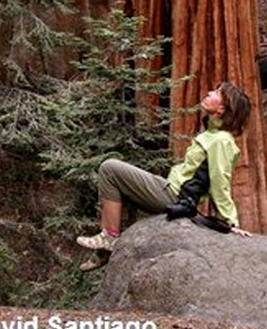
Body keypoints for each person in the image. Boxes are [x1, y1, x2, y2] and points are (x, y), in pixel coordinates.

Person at [77, 82, 252, 260]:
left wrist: (229, 221)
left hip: (174, 196)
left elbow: (220, 180)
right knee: (113, 174)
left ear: (222, 109)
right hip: (169, 189)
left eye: (216, 93)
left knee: (110, 168)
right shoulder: (213, 135)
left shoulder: (221, 141)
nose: (208, 92)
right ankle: (104, 249)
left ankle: (109, 238)